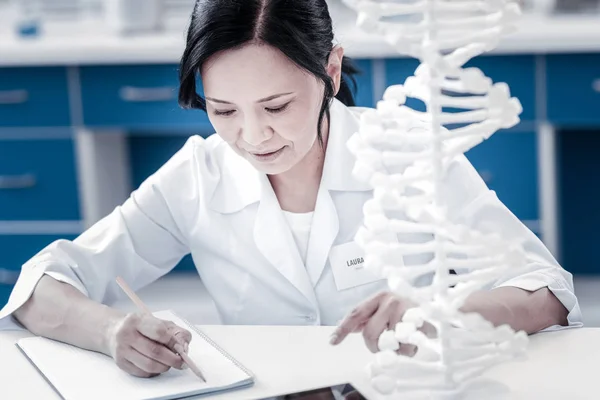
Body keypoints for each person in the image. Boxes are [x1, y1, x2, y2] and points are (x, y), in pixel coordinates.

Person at [0, 0, 581, 379]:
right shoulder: (198, 177)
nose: (252, 137)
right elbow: (39, 288)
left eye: (276, 106)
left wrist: (444, 313)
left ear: (330, 71)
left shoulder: (407, 149)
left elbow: (547, 290)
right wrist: (110, 331)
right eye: (222, 110)